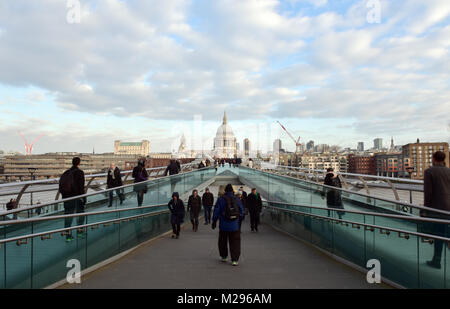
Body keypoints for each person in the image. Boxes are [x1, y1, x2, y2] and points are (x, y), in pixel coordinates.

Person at [421, 151, 450, 269]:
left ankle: (436, 261)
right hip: (449, 209)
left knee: (439, 236)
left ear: (434, 159)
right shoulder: (449, 171)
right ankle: (436, 260)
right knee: (447, 235)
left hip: (437, 209)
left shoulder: (429, 172)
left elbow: (428, 193)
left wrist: (425, 209)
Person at [212, 184, 244, 266]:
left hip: (223, 225)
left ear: (225, 191)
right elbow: (241, 212)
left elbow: (216, 211)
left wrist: (214, 221)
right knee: (235, 242)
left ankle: (224, 256)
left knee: (222, 241)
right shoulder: (237, 199)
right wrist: (238, 220)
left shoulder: (221, 199)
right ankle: (235, 260)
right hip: (234, 226)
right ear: (232, 191)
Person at [59, 157, 86, 242]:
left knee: (68, 215)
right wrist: (83, 198)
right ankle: (79, 231)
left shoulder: (66, 172)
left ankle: (68, 236)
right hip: (76, 197)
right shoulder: (80, 172)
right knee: (81, 213)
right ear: (79, 163)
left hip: (66, 197)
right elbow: (81, 187)